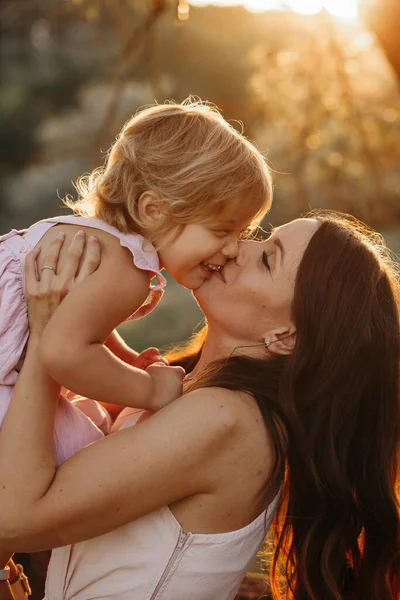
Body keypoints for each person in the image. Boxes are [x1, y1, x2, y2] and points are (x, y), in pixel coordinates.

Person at [0, 210, 399, 600]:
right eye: (259, 238)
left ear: (285, 336)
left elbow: (13, 518)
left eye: (266, 258)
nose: (237, 247)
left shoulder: (227, 419)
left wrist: (46, 335)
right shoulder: (187, 393)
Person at [0, 99, 272, 466]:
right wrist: (151, 389)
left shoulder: (93, 239)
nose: (233, 248)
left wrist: (125, 360)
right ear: (153, 210)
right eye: (223, 230)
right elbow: (64, 352)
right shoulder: (126, 270)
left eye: (243, 232)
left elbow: (80, 318)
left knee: (91, 419)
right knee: (85, 451)